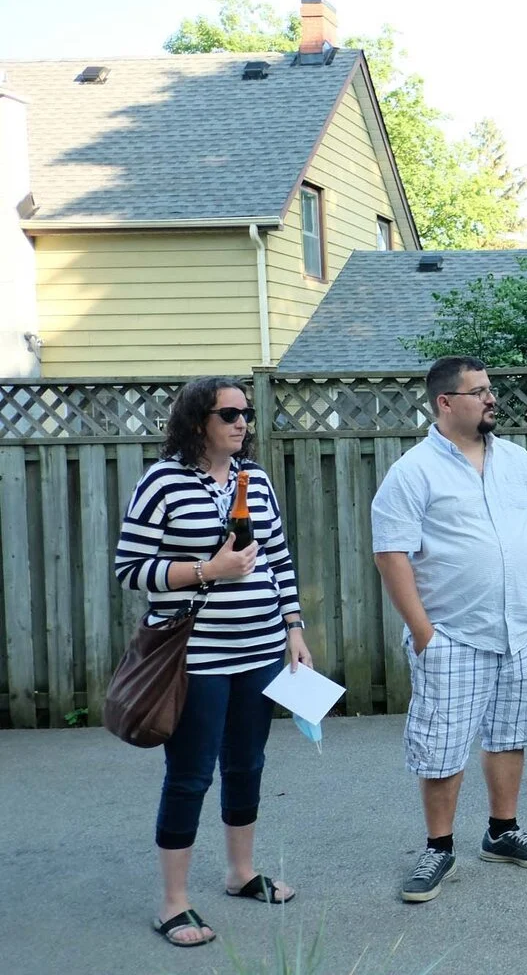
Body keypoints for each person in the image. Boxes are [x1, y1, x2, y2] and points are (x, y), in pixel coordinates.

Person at [114, 377, 312, 948]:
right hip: (196, 656)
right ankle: (173, 903)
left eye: (246, 413)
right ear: (197, 419)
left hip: (261, 649)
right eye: (228, 413)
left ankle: (240, 873)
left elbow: (278, 559)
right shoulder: (162, 483)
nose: (241, 422)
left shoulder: (256, 480)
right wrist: (208, 571)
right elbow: (131, 569)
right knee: (192, 774)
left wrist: (293, 629)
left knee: (247, 764)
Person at [371, 356, 527, 905]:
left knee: (511, 733)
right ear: (446, 402)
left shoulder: (517, 461)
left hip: (521, 630)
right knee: (442, 745)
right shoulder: (413, 471)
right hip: (452, 635)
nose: (490, 398)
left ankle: (503, 833)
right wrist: (423, 632)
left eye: (489, 389)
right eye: (478, 391)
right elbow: (390, 553)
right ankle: (439, 847)